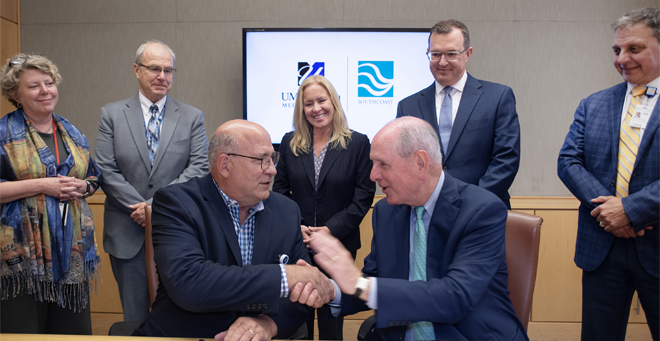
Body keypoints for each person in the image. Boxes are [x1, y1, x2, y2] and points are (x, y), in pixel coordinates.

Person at [297, 117, 527, 340]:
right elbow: (376, 279)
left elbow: (455, 296)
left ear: (420, 163)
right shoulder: (385, 212)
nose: (373, 175)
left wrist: (358, 283)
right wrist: (330, 289)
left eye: (382, 164)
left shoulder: (481, 210)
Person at [132, 120, 335, 339]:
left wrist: (268, 324)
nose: (273, 170)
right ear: (225, 165)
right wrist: (285, 276)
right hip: (186, 334)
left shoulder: (287, 210)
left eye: (272, 159)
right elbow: (189, 282)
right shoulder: (176, 203)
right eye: (262, 160)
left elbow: (304, 295)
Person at [557, 7, 659, 341]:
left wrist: (629, 210)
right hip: (602, 246)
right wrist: (609, 212)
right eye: (617, 50)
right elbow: (568, 162)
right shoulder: (594, 104)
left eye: (634, 48)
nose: (622, 58)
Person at [95, 40, 209, 323]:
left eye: (168, 70)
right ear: (136, 70)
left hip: (177, 232)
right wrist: (142, 208)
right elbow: (106, 170)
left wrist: (154, 207)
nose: (162, 76)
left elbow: (199, 167)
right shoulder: (111, 114)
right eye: (154, 68)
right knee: (135, 321)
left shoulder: (192, 117)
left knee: (178, 318)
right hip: (126, 233)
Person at [0, 53, 101, 334]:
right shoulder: (3, 134)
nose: (45, 91)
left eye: (49, 83)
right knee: (24, 331)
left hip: (71, 253)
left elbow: (93, 178)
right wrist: (42, 185)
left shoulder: (72, 133)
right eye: (34, 86)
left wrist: (82, 187)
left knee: (71, 333)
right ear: (15, 94)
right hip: (21, 261)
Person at [273, 75, 376, 340]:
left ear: (334, 102)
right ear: (301, 109)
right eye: (309, 103)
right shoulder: (289, 142)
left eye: (322, 100)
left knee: (332, 314)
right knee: (299, 312)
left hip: (339, 245)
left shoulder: (357, 143)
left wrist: (330, 230)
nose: (316, 108)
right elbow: (280, 191)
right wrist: (297, 228)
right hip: (298, 243)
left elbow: (364, 194)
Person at [396, 19, 520, 208]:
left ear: (467, 54)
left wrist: (472, 202)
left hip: (483, 211)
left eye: (451, 54)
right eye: (435, 54)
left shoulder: (498, 97)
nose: (442, 62)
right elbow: (403, 162)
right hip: (425, 213)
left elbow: (506, 158)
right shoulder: (408, 106)